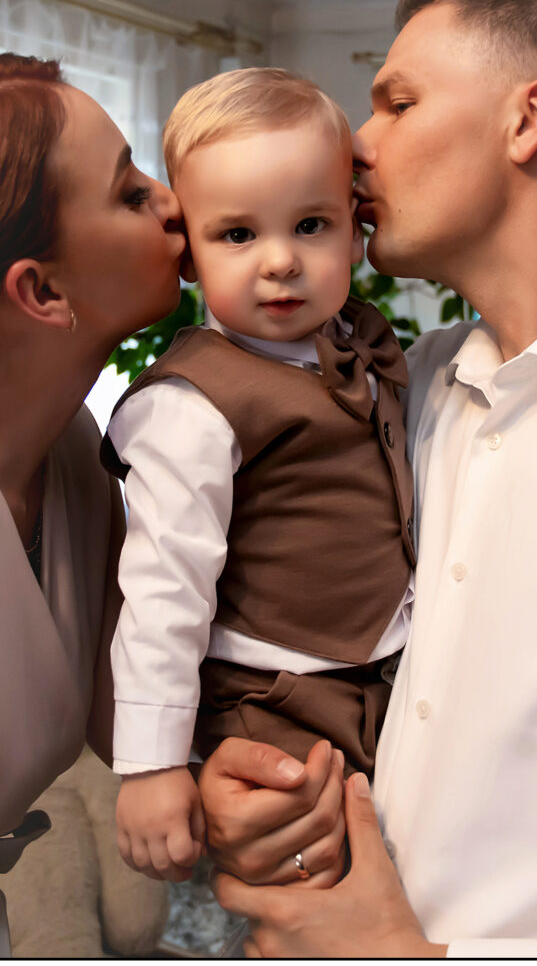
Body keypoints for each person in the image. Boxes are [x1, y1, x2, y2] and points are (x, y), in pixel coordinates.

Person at [201, 0, 537, 957]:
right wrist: (252, 774)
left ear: (527, 118)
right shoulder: (395, 392)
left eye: (396, 102)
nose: (353, 145)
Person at [99, 68, 415, 883]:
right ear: (190, 255)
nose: (279, 261)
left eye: (310, 224)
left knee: (404, 877)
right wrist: (151, 765)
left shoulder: (362, 347)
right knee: (310, 894)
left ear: (354, 230)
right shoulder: (191, 403)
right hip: (269, 698)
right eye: (237, 234)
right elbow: (164, 587)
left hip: (386, 672)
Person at [0, 51, 186, 957]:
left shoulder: (79, 449)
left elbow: (128, 715)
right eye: (130, 192)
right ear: (41, 291)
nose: (174, 203)